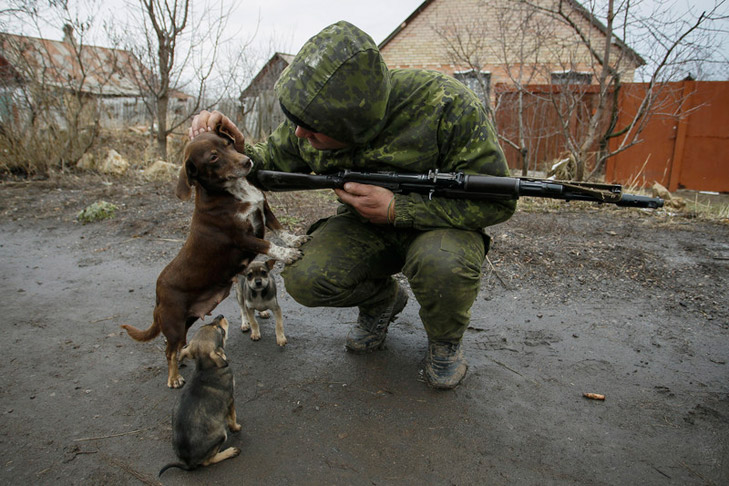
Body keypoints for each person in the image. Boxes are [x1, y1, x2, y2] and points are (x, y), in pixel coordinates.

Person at [189, 21, 516, 389]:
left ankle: (444, 341)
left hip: (442, 228)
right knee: (305, 275)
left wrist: (398, 210)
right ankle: (383, 301)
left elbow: (498, 201)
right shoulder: (315, 120)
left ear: (354, 124)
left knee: (442, 264)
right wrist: (233, 148)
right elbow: (270, 167)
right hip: (365, 228)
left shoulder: (446, 105)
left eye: (311, 128)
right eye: (298, 123)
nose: (300, 133)